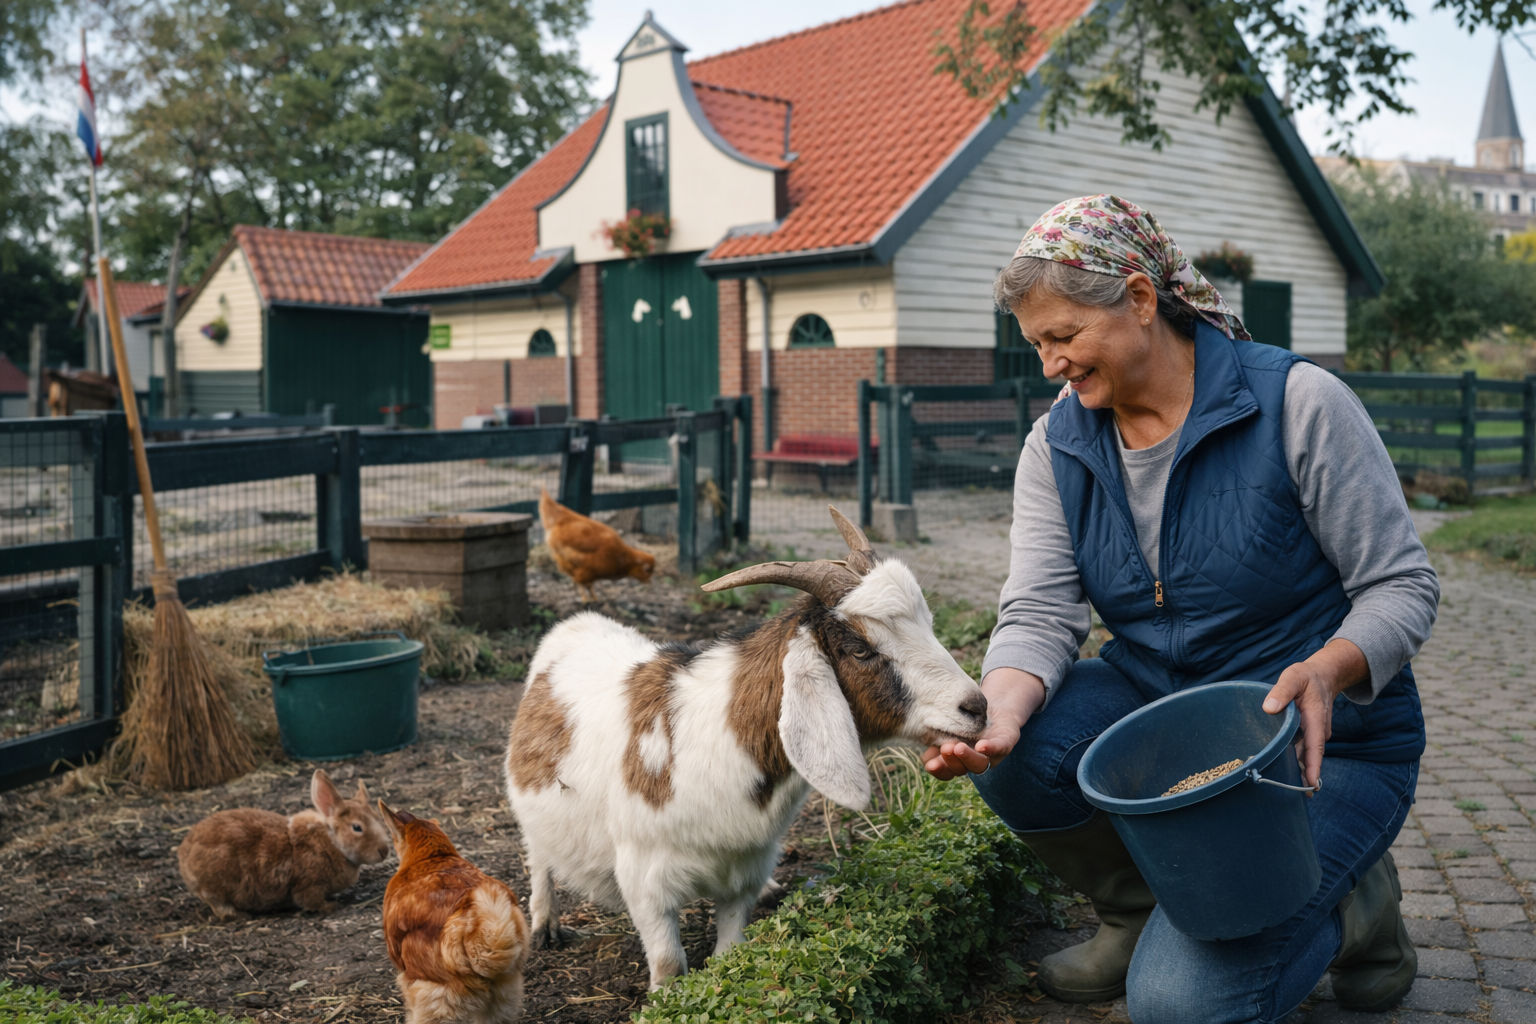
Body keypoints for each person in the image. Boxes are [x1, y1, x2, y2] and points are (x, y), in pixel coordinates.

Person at [923, 194, 1438, 1023]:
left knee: (1180, 1008)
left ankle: (1354, 911)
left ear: (1136, 298)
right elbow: (1040, 610)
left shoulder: (1298, 404)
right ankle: (1139, 917)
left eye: (1063, 337)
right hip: (1161, 717)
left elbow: (1403, 586)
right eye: (1037, 345)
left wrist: (1328, 670)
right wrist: (1001, 716)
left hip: (1319, 745)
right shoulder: (1057, 443)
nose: (1050, 364)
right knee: (1021, 753)